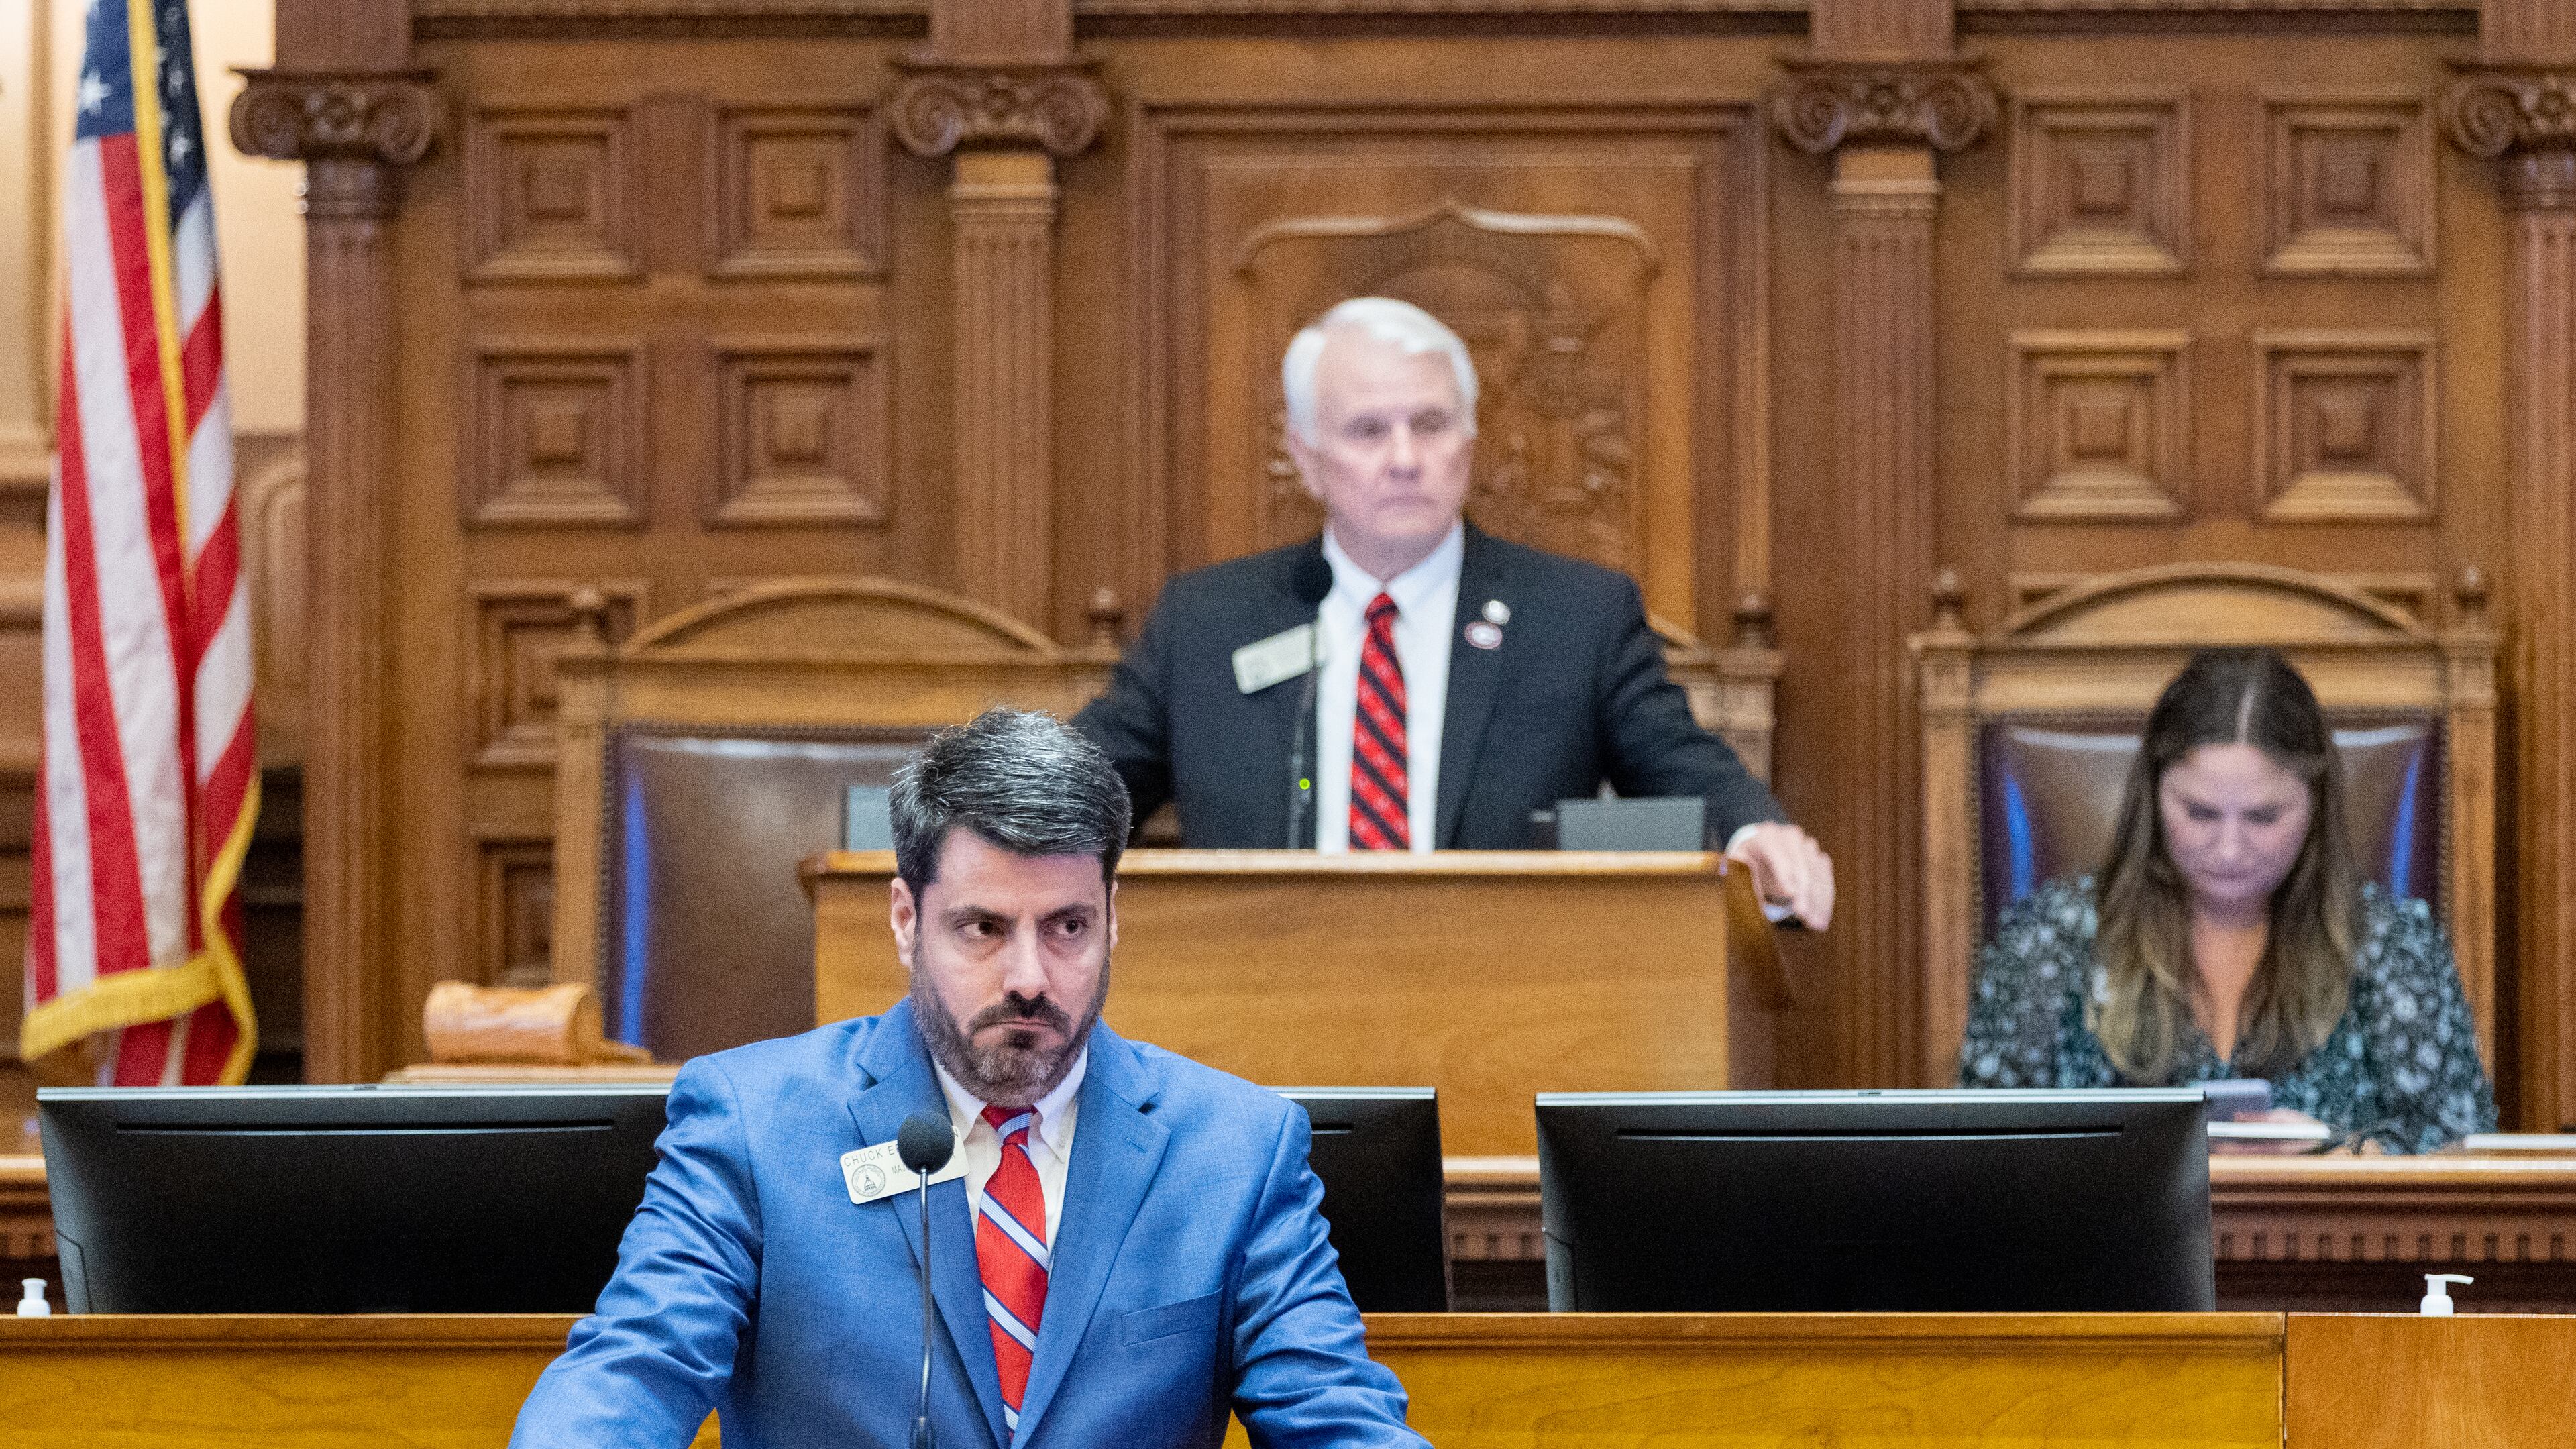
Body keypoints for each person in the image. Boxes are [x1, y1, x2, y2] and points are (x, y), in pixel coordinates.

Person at [510, 709, 1427, 1448]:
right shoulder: (754, 1125)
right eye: (983, 928)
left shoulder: (1234, 1149)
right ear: (908, 919)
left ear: (1113, 919)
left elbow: (1339, 1417)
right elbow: (634, 1372)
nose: (1029, 974)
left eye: (1066, 926)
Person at [1073, 297, 1834, 928]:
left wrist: (1754, 834)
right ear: (1305, 457)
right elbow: (1080, 794)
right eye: (1369, 430)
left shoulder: (1576, 616)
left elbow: (1683, 770)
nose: (1404, 457)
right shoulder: (1209, 621)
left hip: (1500, 1005)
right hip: (1259, 1005)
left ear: (1470, 442)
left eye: (1430, 425)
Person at [1957, 648, 2496, 1154]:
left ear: (2315, 803)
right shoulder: (2051, 937)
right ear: (2153, 794)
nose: (2230, 848)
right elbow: (1979, 1152)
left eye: (2264, 817)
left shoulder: (2391, 942)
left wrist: (2344, 1154)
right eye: (2200, 813)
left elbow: (2465, 1154)